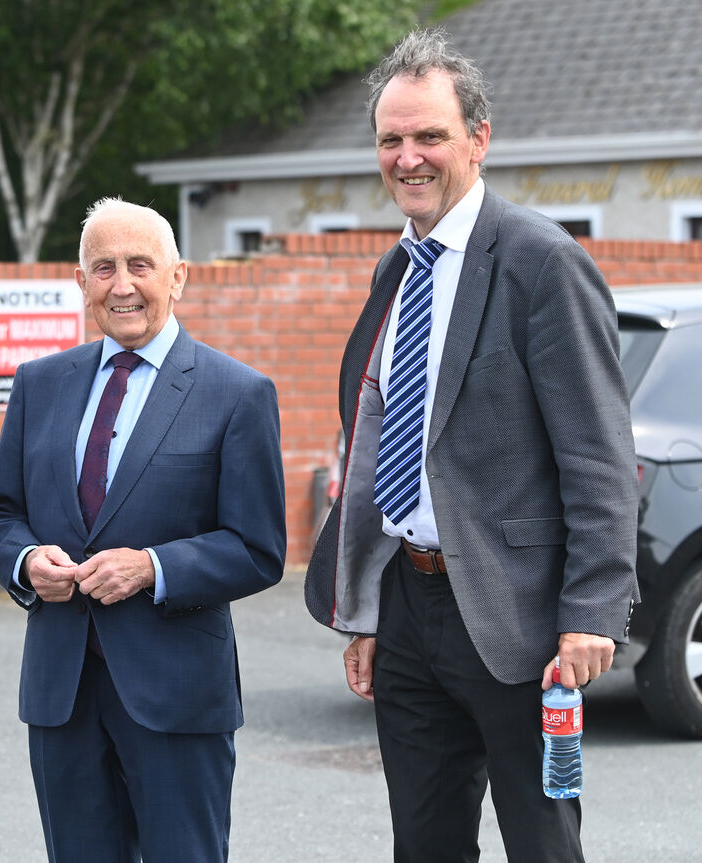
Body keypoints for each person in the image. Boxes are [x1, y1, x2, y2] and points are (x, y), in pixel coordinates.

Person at [305, 28, 638, 863]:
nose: (408, 157)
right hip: (410, 611)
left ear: (478, 140)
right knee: (423, 844)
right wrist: (369, 608)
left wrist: (591, 610)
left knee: (542, 842)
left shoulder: (542, 264)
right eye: (391, 139)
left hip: (518, 618)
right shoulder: (395, 271)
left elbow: (597, 453)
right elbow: (381, 440)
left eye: (429, 136)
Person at [0, 198, 286, 862]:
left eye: (139, 265)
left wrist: (152, 566)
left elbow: (258, 549)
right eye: (104, 267)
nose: (122, 284)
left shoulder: (237, 393)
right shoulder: (39, 384)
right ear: (82, 281)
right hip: (62, 695)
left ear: (177, 276)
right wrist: (26, 561)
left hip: (176, 696)